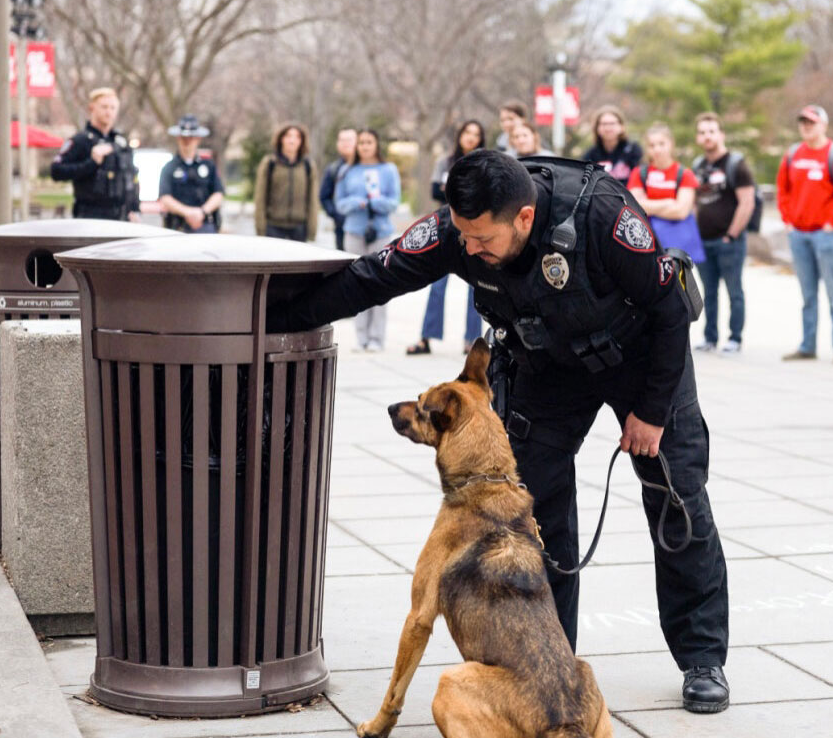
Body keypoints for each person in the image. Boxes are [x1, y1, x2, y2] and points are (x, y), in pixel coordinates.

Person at [269, 150, 731, 714]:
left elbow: (669, 309)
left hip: (642, 358)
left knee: (676, 497)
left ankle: (702, 656)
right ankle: (553, 662)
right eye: (462, 237)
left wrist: (653, 412)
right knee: (531, 507)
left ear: (525, 219)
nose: (468, 250)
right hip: (549, 366)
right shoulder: (456, 229)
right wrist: (277, 316)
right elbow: (374, 276)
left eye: (482, 239)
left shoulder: (602, 216)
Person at [777, 105, 833, 364]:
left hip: (827, 235)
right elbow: (783, 191)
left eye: (811, 122)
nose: (806, 127)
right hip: (799, 234)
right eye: (803, 122)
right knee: (807, 294)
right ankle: (807, 345)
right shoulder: (792, 154)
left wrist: (830, 223)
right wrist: (789, 220)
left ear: (823, 125)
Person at [407, 119, 485, 356]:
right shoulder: (445, 161)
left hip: (475, 226)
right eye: (467, 132)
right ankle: (427, 337)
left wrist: (452, 188)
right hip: (446, 224)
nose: (470, 137)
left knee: (476, 286)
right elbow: (434, 191)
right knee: (437, 284)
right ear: (459, 136)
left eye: (476, 133)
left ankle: (472, 340)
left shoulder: (484, 162)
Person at [690, 112, 754, 355]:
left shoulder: (736, 164)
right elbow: (695, 202)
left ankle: (735, 338)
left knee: (734, 291)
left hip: (729, 242)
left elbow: (746, 203)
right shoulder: (698, 166)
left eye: (712, 131)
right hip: (704, 242)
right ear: (698, 137)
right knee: (709, 293)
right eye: (703, 132)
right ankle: (710, 338)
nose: (707, 136)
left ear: (721, 134)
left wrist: (731, 234)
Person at [335, 128, 401, 352]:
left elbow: (393, 202)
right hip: (354, 231)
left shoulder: (388, 170)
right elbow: (340, 204)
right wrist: (358, 202)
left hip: (380, 231)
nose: (364, 146)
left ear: (376, 145)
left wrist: (375, 203)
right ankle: (361, 337)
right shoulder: (347, 170)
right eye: (361, 142)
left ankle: (377, 338)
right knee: (356, 282)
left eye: (369, 142)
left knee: (380, 281)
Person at [50, 87, 140, 221]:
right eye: (104, 107)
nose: (108, 112)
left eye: (112, 108)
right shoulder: (80, 140)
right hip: (91, 216)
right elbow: (56, 171)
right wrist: (91, 163)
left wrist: (135, 208)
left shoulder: (120, 143)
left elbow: (132, 178)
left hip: (122, 217)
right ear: (92, 108)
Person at [626, 123, 705, 263]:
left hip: (677, 245)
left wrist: (648, 206)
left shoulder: (685, 174)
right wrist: (668, 203)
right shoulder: (639, 173)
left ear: (671, 144)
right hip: (647, 244)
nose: (657, 149)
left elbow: (681, 211)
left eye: (662, 144)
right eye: (652, 145)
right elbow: (634, 207)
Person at [157, 115, 224, 233]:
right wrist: (188, 213)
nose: (187, 141)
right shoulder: (169, 168)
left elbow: (218, 194)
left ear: (198, 138)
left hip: (205, 225)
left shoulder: (209, 165)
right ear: (178, 138)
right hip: (177, 227)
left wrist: (202, 212)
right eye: (184, 137)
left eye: (191, 138)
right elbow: (165, 198)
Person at [254, 123, 319, 242]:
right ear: (281, 139)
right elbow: (260, 198)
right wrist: (261, 229)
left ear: (302, 141)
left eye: (297, 137)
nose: (292, 140)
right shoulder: (269, 163)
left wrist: (312, 230)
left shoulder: (308, 165)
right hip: (273, 227)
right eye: (288, 136)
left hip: (299, 228)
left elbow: (313, 200)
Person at [582, 104, 643, 183]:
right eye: (604, 124)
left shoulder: (633, 150)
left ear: (622, 126)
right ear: (597, 128)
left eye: (612, 123)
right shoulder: (590, 155)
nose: (608, 128)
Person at [319, 127, 357, 251]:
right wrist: (336, 215)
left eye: (349, 140)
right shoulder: (333, 169)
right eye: (342, 140)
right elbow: (324, 197)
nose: (345, 143)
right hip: (342, 228)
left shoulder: (369, 167)